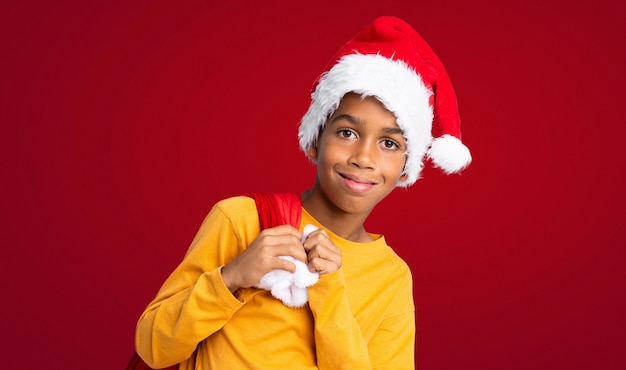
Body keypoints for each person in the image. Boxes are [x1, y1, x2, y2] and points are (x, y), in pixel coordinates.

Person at [133, 15, 471, 369]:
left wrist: (330, 292)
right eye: (347, 133)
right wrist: (231, 277)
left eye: (389, 143)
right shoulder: (240, 220)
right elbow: (153, 347)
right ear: (315, 140)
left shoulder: (391, 278)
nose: (364, 157)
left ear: (405, 168)